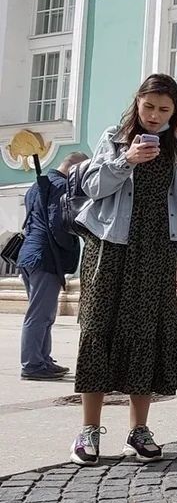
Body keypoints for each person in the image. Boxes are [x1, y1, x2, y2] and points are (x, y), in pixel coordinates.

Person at [71, 74, 177, 466]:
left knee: (145, 334)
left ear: (174, 111)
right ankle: (89, 430)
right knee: (96, 331)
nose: (155, 115)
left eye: (164, 109)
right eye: (149, 107)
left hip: (157, 250)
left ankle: (138, 431)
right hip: (109, 248)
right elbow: (91, 186)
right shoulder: (115, 138)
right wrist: (126, 160)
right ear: (137, 103)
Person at [17, 151, 88, 381]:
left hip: (30, 255)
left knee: (44, 313)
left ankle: (42, 359)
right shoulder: (60, 188)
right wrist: (74, 243)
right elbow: (59, 226)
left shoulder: (37, 186)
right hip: (45, 257)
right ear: (75, 169)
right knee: (39, 314)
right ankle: (33, 364)